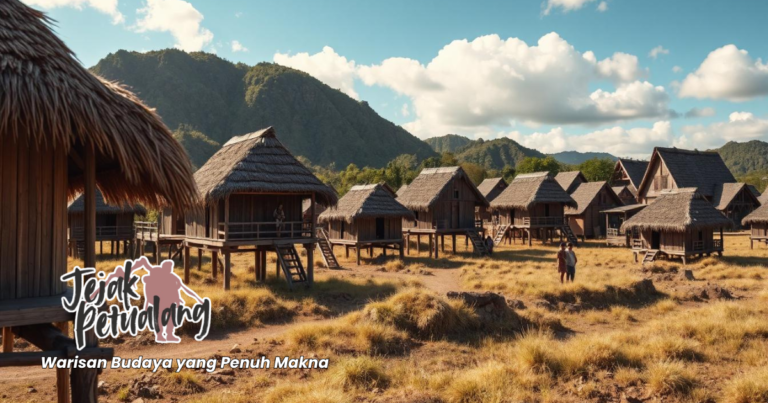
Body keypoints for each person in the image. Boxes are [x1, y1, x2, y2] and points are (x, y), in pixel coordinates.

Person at [134, 256, 204, 343]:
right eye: (168, 268)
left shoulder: (173, 277)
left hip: (171, 302)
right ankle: (159, 335)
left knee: (170, 318)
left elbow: (185, 289)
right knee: (159, 317)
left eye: (170, 268)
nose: (170, 270)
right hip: (159, 301)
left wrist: (197, 298)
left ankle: (169, 334)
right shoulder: (157, 274)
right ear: (163, 268)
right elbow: (146, 265)